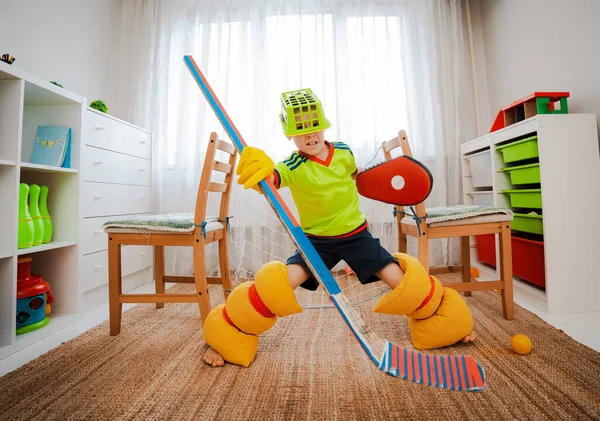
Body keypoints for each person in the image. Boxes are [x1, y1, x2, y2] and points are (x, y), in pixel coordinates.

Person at [203, 88, 475, 367]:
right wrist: (262, 169)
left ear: (324, 126)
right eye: (302, 131)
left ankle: (449, 324)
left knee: (402, 280)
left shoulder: (344, 152)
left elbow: (360, 178)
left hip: (357, 235)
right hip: (315, 242)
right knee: (277, 287)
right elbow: (271, 180)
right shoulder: (292, 165)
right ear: (289, 136)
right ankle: (226, 333)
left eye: (315, 127)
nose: (311, 135)